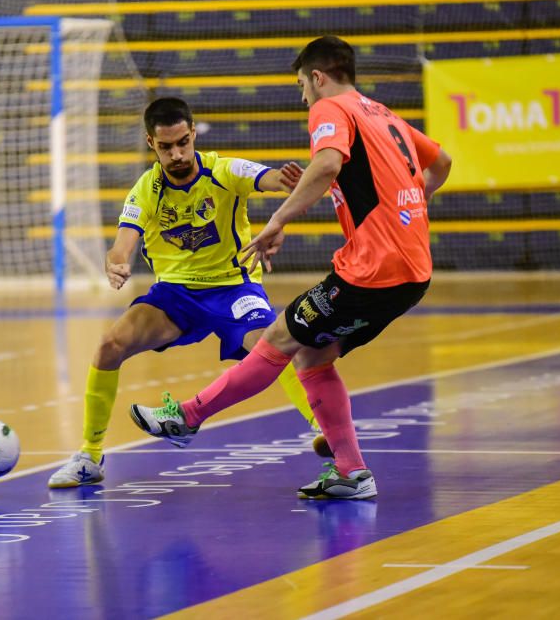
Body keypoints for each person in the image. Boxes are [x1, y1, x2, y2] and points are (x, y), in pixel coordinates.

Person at [130, 36, 452, 500]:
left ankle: (187, 416)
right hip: (413, 269)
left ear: (317, 77)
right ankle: (351, 472)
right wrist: (409, 211)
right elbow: (440, 162)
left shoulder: (331, 108)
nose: (302, 96)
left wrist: (278, 219)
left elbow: (324, 165)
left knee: (279, 338)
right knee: (312, 355)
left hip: (373, 269)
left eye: (302, 84)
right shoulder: (382, 113)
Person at [48, 96, 323, 488]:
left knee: (277, 341)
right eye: (166, 147)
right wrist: (118, 260)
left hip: (234, 288)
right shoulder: (147, 189)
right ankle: (90, 457)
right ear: (151, 144)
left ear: (193, 134)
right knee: (109, 345)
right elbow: (124, 239)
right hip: (175, 297)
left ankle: (322, 426)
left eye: (182, 142)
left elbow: (269, 178)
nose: (176, 154)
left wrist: (288, 181)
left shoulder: (223, 170)